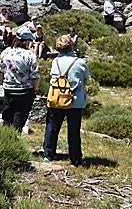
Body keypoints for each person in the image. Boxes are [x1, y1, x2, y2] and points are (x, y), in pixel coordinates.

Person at [42, 35, 90, 166]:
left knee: (52, 126)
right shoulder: (80, 63)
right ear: (71, 46)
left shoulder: (55, 62)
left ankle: (48, 154)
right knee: (73, 130)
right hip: (75, 101)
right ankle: (75, 159)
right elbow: (86, 79)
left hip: (56, 99)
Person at [0, 27, 40, 133]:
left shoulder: (6, 52)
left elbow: (0, 71)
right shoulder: (30, 55)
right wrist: (35, 90)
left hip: (9, 90)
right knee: (19, 119)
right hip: (25, 91)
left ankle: (5, 141)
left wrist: (4, 83)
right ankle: (14, 142)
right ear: (25, 41)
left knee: (7, 119)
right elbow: (35, 76)